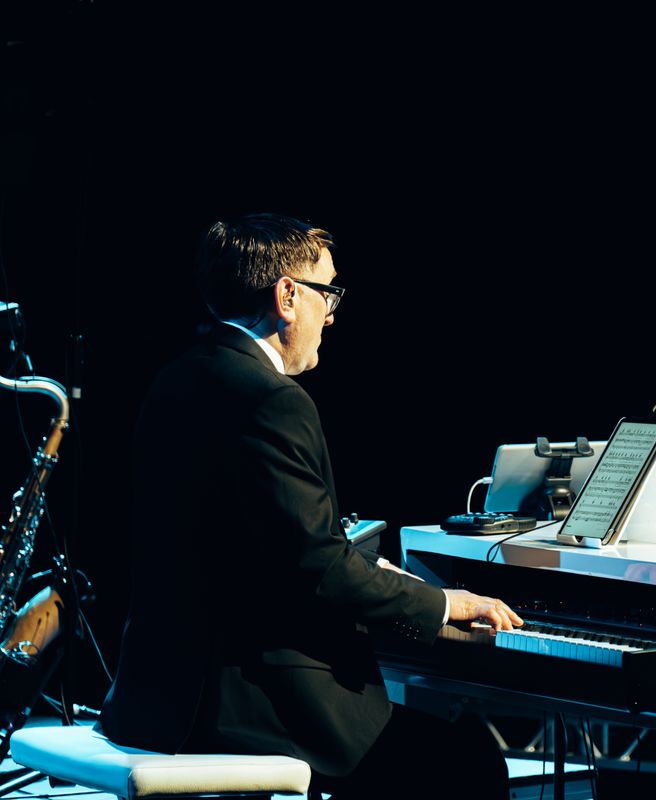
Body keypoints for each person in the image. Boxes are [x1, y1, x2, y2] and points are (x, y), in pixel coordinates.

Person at [99, 213, 522, 798]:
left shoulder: (176, 379)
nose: (332, 314)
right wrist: (444, 602)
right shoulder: (272, 398)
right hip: (252, 703)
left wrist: (371, 567)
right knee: (469, 762)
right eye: (329, 293)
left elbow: (246, 544)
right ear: (288, 296)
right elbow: (319, 569)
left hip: (155, 698)